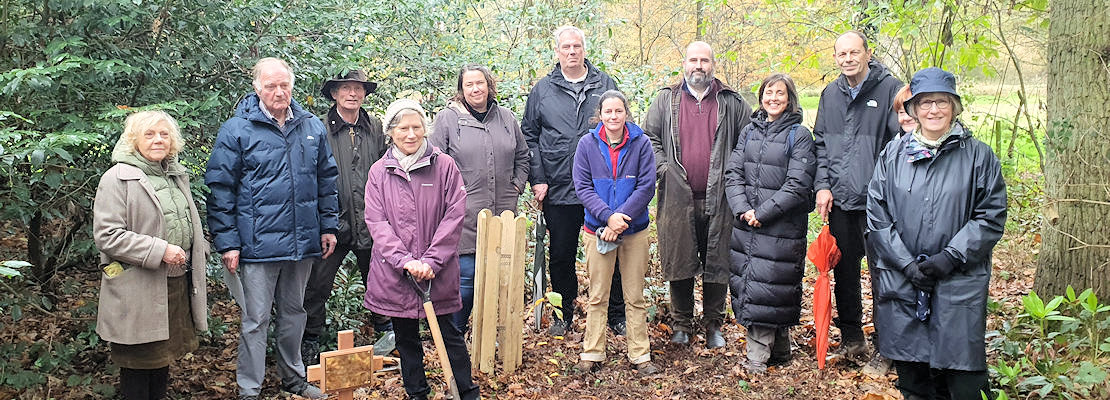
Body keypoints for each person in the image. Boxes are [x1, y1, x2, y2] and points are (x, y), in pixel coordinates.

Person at [867, 67, 1006, 399]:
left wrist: (952, 256)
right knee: (914, 381)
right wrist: (906, 264)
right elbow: (877, 213)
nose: (933, 110)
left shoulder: (978, 156)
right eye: (925, 102)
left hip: (958, 283)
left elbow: (991, 215)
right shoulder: (893, 155)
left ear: (954, 107)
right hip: (903, 283)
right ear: (913, 108)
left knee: (961, 381)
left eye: (941, 102)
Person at [205, 57, 337, 400]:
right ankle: (249, 388)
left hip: (302, 242)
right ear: (256, 88)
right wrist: (228, 243)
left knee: (295, 314)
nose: (279, 92)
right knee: (255, 320)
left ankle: (293, 380)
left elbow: (327, 180)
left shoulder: (311, 127)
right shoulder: (237, 129)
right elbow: (220, 189)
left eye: (284, 85)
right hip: (255, 247)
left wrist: (328, 226)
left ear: (292, 85)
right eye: (270, 86)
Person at [362, 99, 480, 400]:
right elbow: (376, 221)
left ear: (425, 129)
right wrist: (404, 261)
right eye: (403, 128)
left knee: (450, 334)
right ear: (391, 132)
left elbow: (454, 215)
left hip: (436, 272)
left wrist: (431, 260)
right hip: (395, 274)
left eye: (417, 127)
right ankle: (417, 393)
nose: (411, 134)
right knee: (405, 338)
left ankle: (467, 392)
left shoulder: (444, 166)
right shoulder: (379, 172)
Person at [643, 41, 752, 349]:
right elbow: (649, 137)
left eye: (704, 60)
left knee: (718, 260)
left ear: (713, 65)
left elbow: (747, 141)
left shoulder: (731, 102)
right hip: (678, 196)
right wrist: (664, 168)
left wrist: (735, 176)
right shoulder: (666, 100)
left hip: (721, 196)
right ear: (684, 64)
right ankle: (681, 324)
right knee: (681, 259)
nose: (699, 65)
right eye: (693, 60)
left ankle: (714, 324)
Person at [93, 111, 209, 400]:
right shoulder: (117, 178)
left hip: (174, 284)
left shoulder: (174, 175)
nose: (158, 140)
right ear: (134, 140)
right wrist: (162, 251)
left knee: (162, 361)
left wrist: (199, 250)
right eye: (149, 134)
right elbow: (107, 236)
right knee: (138, 366)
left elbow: (186, 222)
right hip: (138, 289)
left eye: (164, 134)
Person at [523, 25, 625, 336]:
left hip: (602, 186)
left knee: (611, 251)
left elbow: (622, 127)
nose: (571, 52)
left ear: (584, 50)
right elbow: (530, 136)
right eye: (565, 47)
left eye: (576, 46)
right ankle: (562, 315)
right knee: (562, 253)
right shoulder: (542, 90)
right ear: (557, 52)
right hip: (559, 186)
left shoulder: (604, 84)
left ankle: (616, 315)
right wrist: (538, 179)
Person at [812, 31, 903, 358]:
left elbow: (901, 146)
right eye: (842, 54)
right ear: (835, 58)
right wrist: (822, 185)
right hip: (840, 202)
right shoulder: (830, 94)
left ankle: (886, 347)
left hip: (879, 206)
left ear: (868, 53)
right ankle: (852, 339)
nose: (848, 59)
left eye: (854, 53)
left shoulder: (890, 89)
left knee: (884, 276)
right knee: (844, 273)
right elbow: (819, 143)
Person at [723, 74, 816, 373]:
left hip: (780, 228)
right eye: (768, 92)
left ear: (790, 99)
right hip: (746, 224)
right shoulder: (749, 132)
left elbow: (798, 185)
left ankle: (756, 361)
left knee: (771, 286)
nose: (773, 98)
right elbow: (733, 173)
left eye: (780, 93)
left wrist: (762, 213)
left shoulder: (799, 135)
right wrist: (743, 209)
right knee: (754, 284)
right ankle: (780, 350)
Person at [301, 69, 392, 365]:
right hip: (332, 223)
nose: (352, 93)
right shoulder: (318, 128)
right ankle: (310, 343)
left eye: (358, 89)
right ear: (334, 94)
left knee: (379, 281)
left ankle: (388, 337)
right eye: (346, 89)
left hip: (370, 221)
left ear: (365, 93)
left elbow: (386, 170)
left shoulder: (375, 127)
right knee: (316, 286)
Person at [430, 64, 530, 333]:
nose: (475, 89)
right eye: (469, 85)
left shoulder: (507, 118)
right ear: (461, 90)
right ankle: (455, 336)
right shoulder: (448, 119)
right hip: (464, 217)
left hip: (503, 215)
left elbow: (523, 156)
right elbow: (433, 163)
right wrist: (451, 197)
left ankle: (492, 336)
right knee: (466, 280)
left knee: (500, 279)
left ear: (489, 85)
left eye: (480, 83)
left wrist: (516, 186)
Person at [571, 90, 660, 376]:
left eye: (618, 111)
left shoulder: (641, 143)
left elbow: (646, 186)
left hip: (634, 231)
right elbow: (582, 187)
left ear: (626, 113)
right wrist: (608, 218)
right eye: (608, 112)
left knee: (634, 296)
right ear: (600, 115)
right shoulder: (587, 144)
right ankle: (592, 352)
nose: (613, 117)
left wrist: (622, 219)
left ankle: (640, 354)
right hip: (596, 230)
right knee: (597, 295)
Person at [862, 83, 915, 378]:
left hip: (928, 244)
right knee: (886, 291)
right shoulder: (891, 151)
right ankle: (886, 350)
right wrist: (887, 237)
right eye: (899, 112)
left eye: (909, 109)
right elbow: (877, 199)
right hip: (890, 239)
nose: (904, 117)